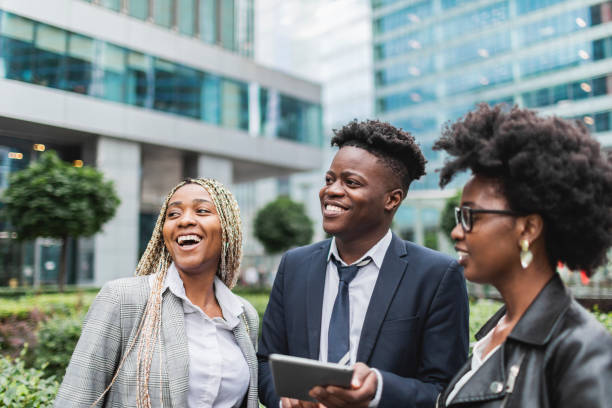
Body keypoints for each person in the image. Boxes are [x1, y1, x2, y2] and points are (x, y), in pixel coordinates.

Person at [258, 120, 470, 408]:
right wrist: (286, 401)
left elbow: (446, 390)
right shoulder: (294, 266)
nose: (331, 190)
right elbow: (265, 363)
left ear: (392, 199)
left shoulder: (436, 276)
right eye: (329, 179)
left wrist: (377, 391)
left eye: (351, 182)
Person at [433, 104, 612, 407]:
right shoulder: (492, 333)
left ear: (528, 228)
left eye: (470, 216)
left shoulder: (582, 349)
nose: (456, 232)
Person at [55, 178, 259, 408]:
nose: (185, 220)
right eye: (173, 214)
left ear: (228, 229)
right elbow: (76, 398)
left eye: (202, 211)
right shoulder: (123, 298)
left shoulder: (243, 316)